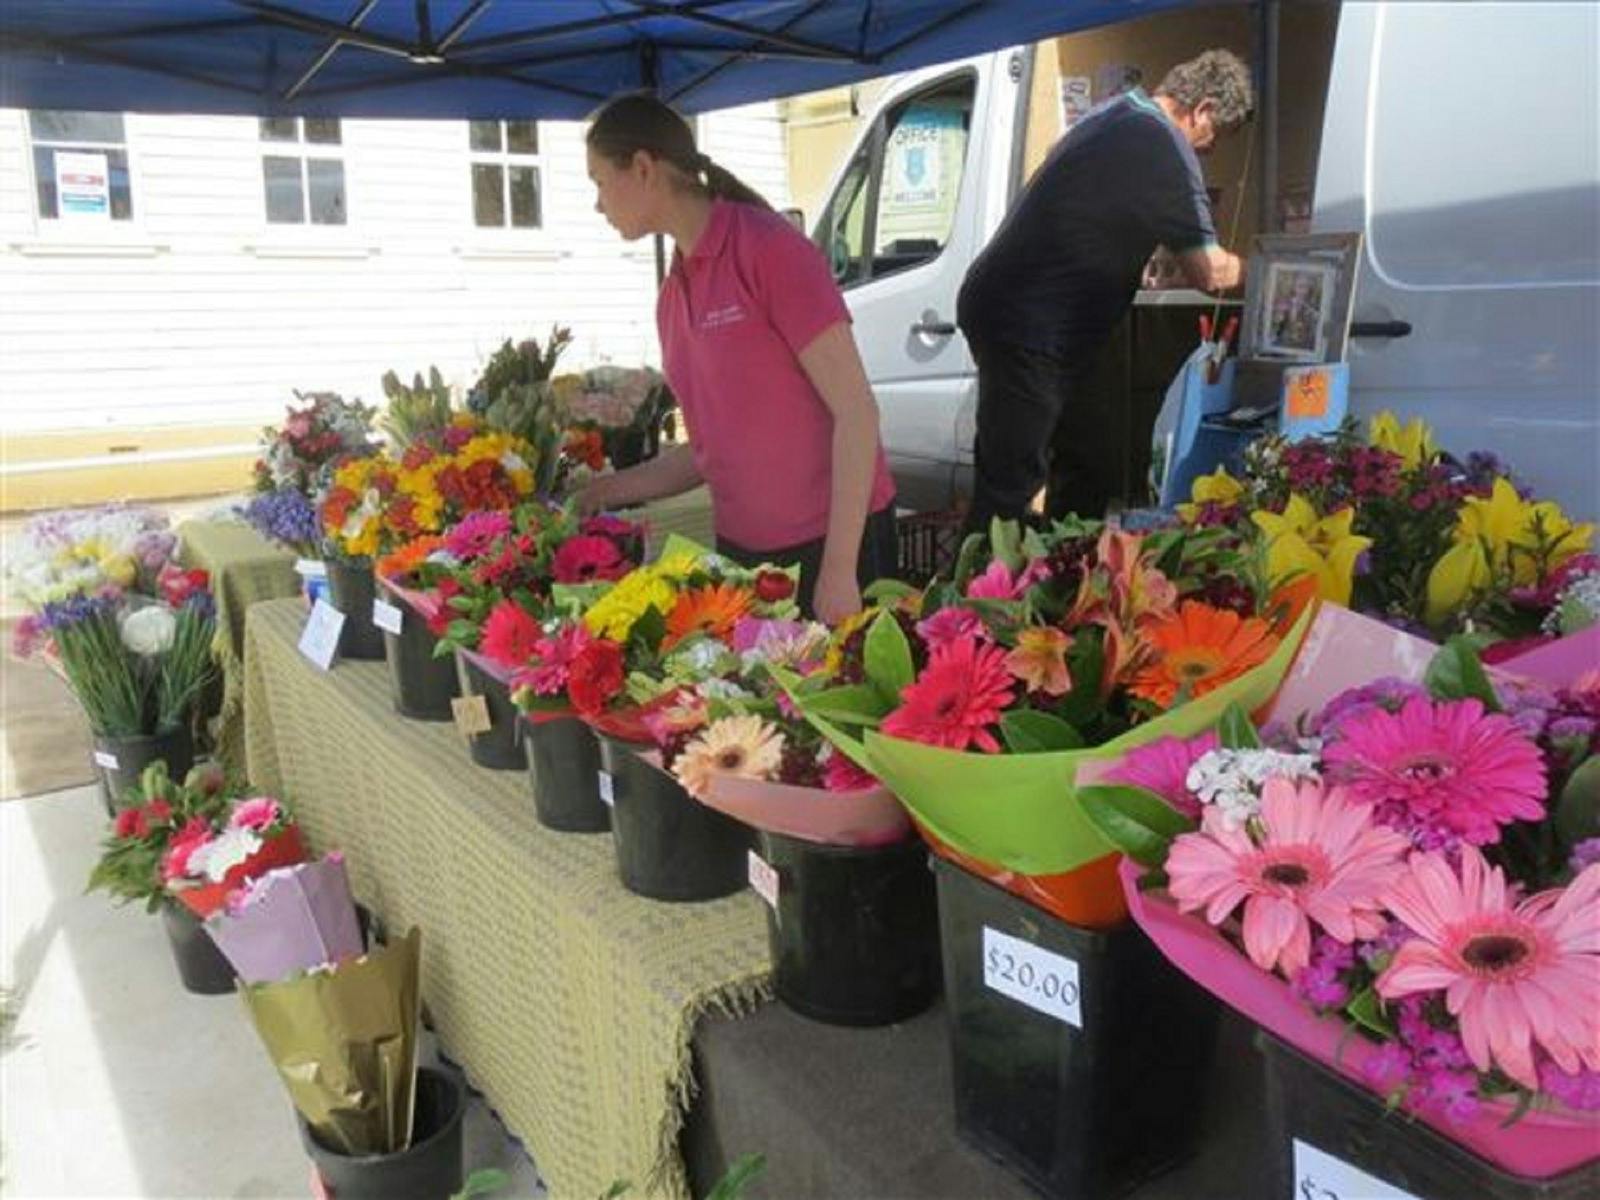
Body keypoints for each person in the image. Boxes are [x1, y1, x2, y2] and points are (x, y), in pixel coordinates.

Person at [575, 93, 897, 624]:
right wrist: (606, 490)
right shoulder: (672, 297)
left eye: (599, 181)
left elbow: (857, 413)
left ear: (642, 167)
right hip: (746, 557)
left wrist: (839, 572)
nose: (598, 203)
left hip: (834, 547)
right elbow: (709, 451)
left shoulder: (769, 250)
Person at [956, 49, 1255, 531]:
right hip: (1032, 322)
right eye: (1213, 138)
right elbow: (1209, 272)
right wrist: (1273, 271)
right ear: (1201, 110)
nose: (1206, 151)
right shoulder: (1161, 143)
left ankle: (1061, 580)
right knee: (1011, 487)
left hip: (1025, 312)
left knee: (1089, 459)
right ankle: (977, 599)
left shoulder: (1113, 114)